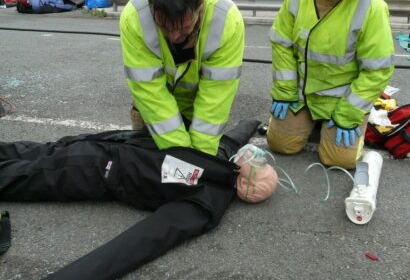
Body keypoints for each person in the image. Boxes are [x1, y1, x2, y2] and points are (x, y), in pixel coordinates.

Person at [0, 120, 261, 279]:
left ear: (245, 180)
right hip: (106, 143)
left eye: (257, 162)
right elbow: (237, 135)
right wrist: (253, 121)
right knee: (33, 152)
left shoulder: (205, 201)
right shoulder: (223, 157)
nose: (253, 157)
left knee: (21, 174)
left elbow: (140, 242)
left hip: (94, 169)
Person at [266, 0, 395, 169]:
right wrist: (284, 91)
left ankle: (343, 124)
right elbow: (282, 44)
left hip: (342, 100)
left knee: (337, 161)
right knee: (280, 144)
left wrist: (350, 112)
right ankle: (311, 123)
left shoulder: (371, 8)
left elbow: (377, 69)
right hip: (301, 95)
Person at [120, 0, 245, 156]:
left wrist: (199, 160)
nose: (175, 36)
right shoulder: (134, 17)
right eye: (165, 27)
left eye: (184, 27)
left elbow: (215, 100)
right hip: (154, 108)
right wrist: (180, 154)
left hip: (198, 108)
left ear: (200, 4)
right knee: (147, 164)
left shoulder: (226, 21)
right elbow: (151, 93)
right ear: (151, 7)